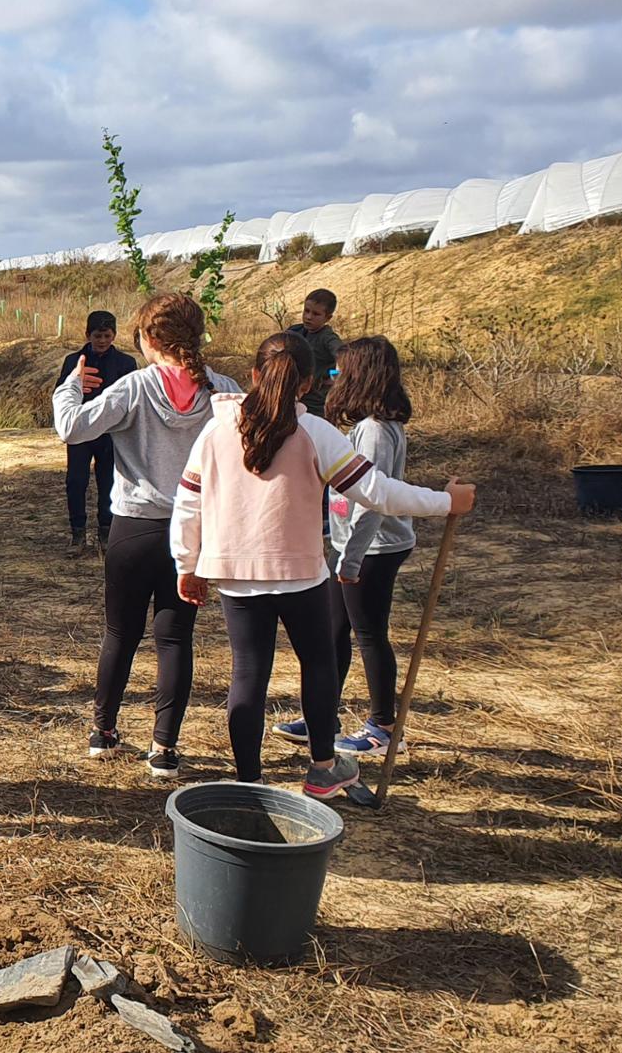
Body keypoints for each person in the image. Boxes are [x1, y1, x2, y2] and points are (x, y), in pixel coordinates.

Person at [171, 331, 475, 799]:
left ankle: (249, 781)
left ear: (253, 374)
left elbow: (188, 503)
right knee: (318, 668)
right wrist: (445, 502)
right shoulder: (315, 433)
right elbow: (377, 491)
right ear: (308, 381)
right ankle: (322, 768)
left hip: (235, 574)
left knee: (248, 673)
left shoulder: (215, 431)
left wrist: (186, 565)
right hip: (300, 574)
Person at [53, 293, 239, 780]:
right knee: (175, 639)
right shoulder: (224, 391)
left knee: (121, 633)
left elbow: (71, 428)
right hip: (194, 534)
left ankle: (103, 732)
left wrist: (71, 385)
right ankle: (165, 748)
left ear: (149, 339)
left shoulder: (134, 387)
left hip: (134, 527)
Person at [272, 336, 430, 761]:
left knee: (369, 633)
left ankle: (382, 725)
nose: (333, 378)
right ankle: (324, 715)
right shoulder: (365, 427)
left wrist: (352, 557)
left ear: (361, 376)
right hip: (352, 545)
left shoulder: (376, 431)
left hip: (373, 549)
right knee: (333, 631)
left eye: (340, 372)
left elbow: (375, 501)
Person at [54, 310, 138, 555]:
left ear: (114, 335)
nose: (102, 341)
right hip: (81, 433)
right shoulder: (73, 361)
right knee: (76, 482)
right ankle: (77, 534)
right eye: (97, 335)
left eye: (107, 335)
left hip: (111, 434)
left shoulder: (126, 363)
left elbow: (132, 400)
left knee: (109, 482)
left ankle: (106, 533)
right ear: (87, 335)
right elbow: (62, 393)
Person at [289, 289, 341, 418]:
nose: (308, 317)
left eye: (316, 314)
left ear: (327, 317)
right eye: (306, 311)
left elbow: (345, 358)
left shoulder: (328, 338)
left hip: (315, 404)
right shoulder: (294, 331)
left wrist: (334, 377)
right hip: (291, 397)